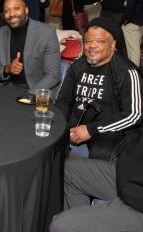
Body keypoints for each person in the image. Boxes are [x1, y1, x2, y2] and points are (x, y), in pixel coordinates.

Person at [55, 17, 142, 161]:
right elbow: (63, 100)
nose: (92, 46)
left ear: (113, 45)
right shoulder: (78, 65)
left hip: (109, 129)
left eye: (100, 41)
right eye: (88, 41)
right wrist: (60, 125)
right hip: (76, 126)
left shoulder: (127, 72)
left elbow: (134, 115)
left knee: (102, 153)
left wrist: (92, 129)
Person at [0, 0, 60, 93]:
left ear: (26, 10)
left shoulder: (46, 33)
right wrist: (7, 69)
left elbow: (53, 75)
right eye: (6, 11)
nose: (11, 14)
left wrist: (28, 95)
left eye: (16, 8)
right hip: (7, 88)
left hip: (37, 89)